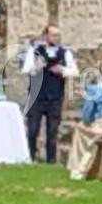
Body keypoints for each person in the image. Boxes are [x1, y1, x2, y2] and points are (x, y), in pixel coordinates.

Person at [21, 25, 77, 163]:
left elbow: (75, 71)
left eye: (58, 35)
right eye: (53, 35)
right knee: (33, 128)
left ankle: (51, 159)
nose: (56, 38)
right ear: (45, 36)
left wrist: (62, 70)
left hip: (55, 96)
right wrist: (37, 66)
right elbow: (26, 70)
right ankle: (31, 156)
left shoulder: (65, 53)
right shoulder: (34, 51)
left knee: (52, 130)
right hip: (36, 96)